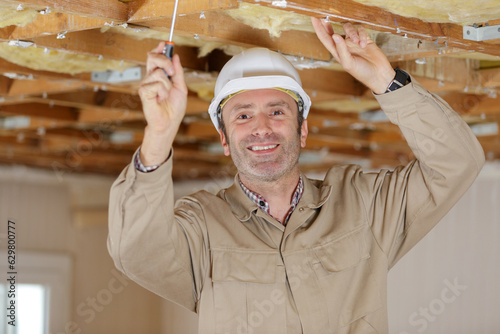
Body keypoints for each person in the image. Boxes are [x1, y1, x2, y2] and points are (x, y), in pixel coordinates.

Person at [108, 18, 484, 333]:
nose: (261, 128)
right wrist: (158, 136)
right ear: (223, 138)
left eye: (277, 111)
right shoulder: (201, 228)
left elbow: (458, 162)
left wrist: (387, 80)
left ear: (302, 130)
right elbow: (134, 250)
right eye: (242, 115)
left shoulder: (364, 206)